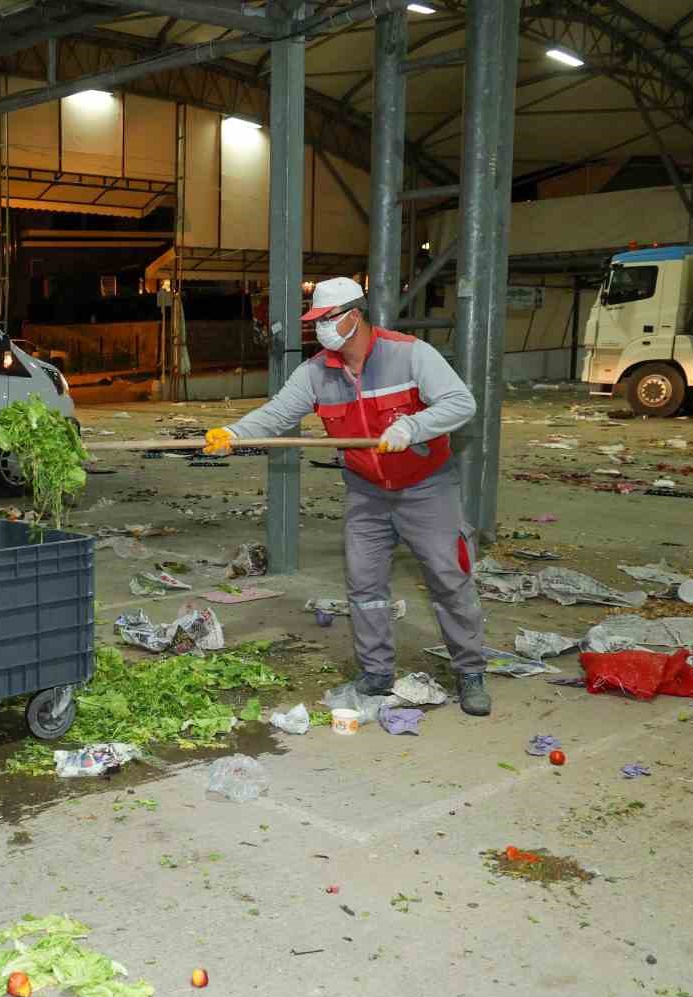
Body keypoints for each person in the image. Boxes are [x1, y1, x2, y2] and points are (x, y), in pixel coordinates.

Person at [204, 276, 492, 716]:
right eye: (315, 321)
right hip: (367, 492)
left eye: (326, 319)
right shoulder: (317, 372)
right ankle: (376, 672)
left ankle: (470, 671)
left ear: (354, 316)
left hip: (425, 487)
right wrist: (235, 433)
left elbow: (460, 403)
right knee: (364, 585)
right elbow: (279, 412)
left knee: (448, 576)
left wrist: (411, 426)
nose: (319, 329)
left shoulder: (410, 354)